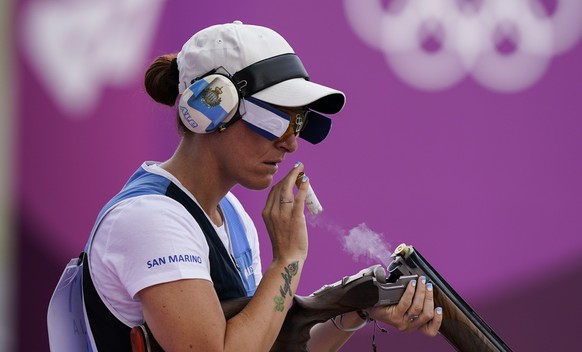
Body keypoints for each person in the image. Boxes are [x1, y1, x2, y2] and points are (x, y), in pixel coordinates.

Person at [83, 21, 443, 351]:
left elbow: (262, 343)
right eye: (276, 120)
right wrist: (288, 260)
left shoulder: (231, 214)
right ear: (213, 106)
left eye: (298, 122)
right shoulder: (151, 219)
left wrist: (355, 309)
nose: (291, 143)